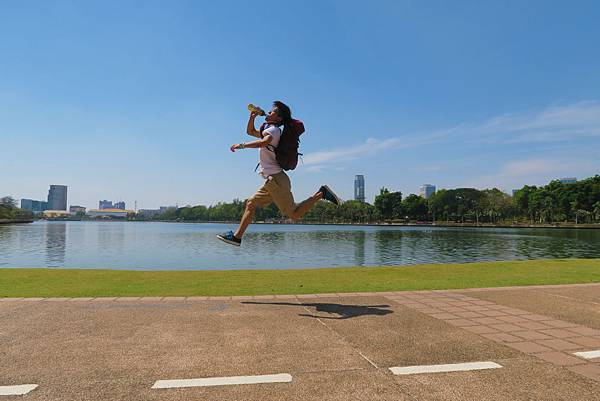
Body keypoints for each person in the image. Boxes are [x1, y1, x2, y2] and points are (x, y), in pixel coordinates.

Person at [217, 100, 340, 246]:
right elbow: (250, 132)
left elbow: (263, 142)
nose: (268, 112)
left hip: (277, 181)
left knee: (294, 215)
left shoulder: (274, 131)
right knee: (251, 203)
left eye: (272, 111)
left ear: (279, 118)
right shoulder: (269, 129)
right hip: (272, 181)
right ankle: (237, 237)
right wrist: (252, 116)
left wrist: (242, 145)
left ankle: (321, 193)